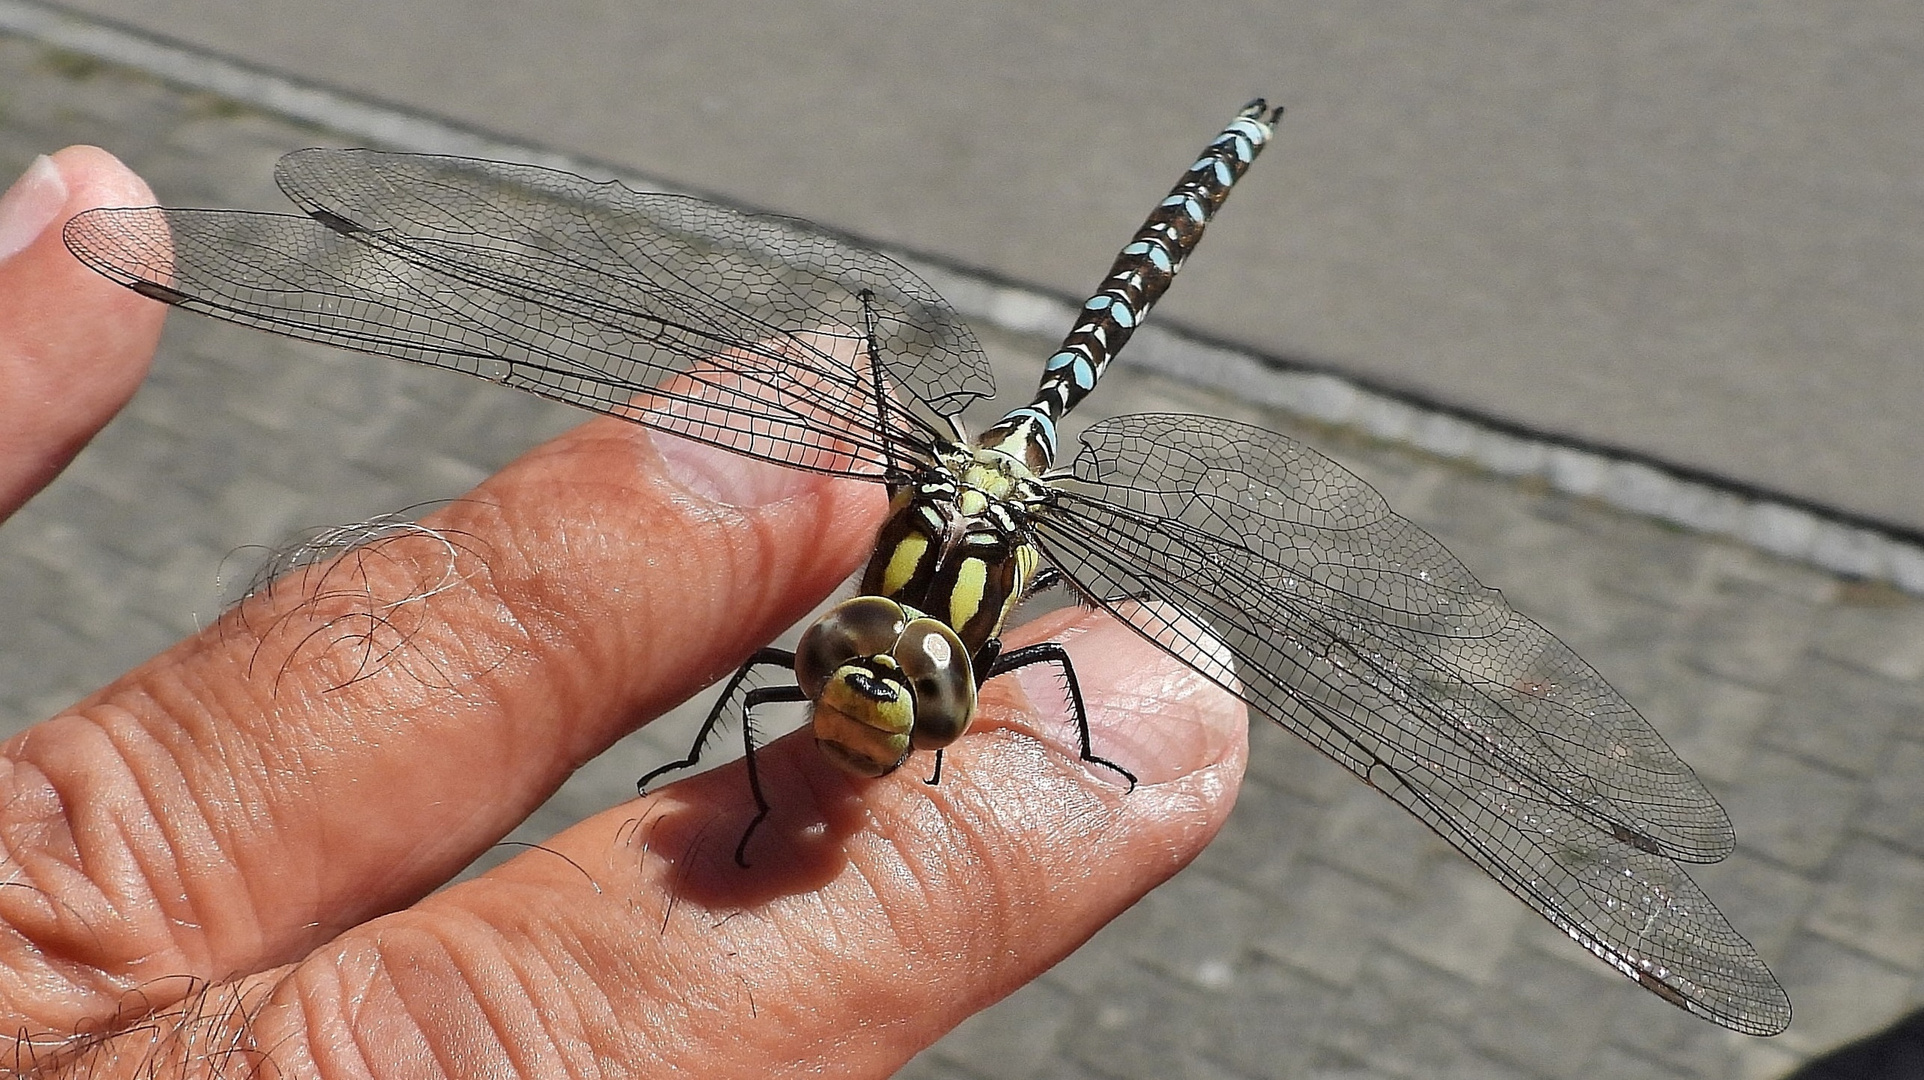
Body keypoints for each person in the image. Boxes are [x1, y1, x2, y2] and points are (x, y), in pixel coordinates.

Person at [0, 147, 1247, 1076]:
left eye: (897, 688)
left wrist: (1088, 754)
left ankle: (1225, 156)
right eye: (852, 665)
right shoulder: (861, 641)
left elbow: (1068, 679)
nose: (857, 697)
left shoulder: (1009, 593)